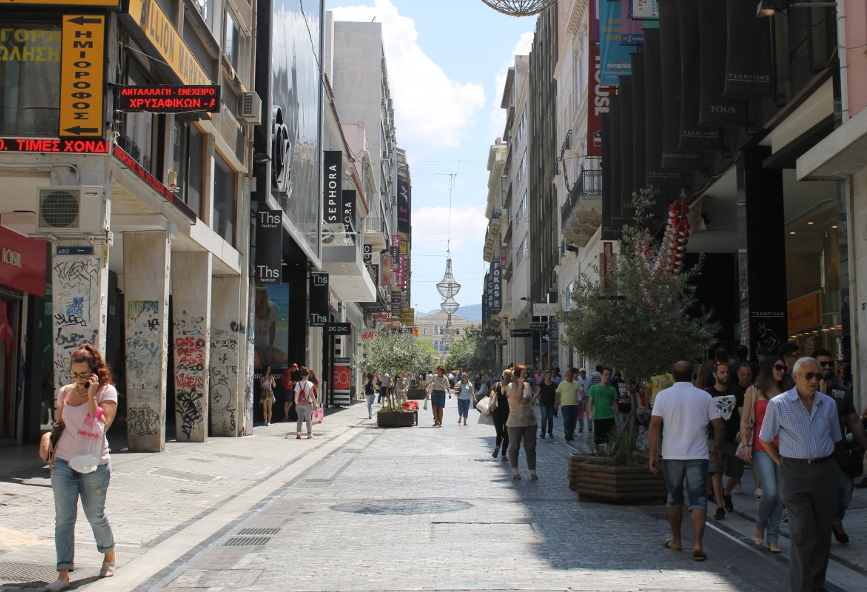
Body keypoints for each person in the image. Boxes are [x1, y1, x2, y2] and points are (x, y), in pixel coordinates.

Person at [38, 344, 118, 592]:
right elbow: (59, 423)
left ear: (95, 371)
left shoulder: (107, 392)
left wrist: (92, 395)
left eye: (83, 374)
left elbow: (102, 424)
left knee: (95, 516)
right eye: (74, 374)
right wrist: (46, 437)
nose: (79, 379)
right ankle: (63, 574)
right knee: (63, 519)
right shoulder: (65, 392)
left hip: (94, 464)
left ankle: (109, 554)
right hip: (64, 463)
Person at [759, 357, 842, 592]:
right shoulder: (779, 404)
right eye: (809, 376)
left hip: (824, 471)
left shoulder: (829, 404)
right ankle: (802, 588)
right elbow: (765, 438)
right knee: (802, 532)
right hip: (794, 473)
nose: (814, 380)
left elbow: (835, 437)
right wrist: (782, 463)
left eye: (818, 376)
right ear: (795, 377)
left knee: (822, 533)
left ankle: (816, 585)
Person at [650, 361, 724, 562]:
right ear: (693, 376)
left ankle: (676, 540)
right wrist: (718, 446)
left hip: (672, 454)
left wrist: (653, 453)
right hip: (698, 455)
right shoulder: (704, 396)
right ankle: (698, 543)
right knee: (698, 499)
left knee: (674, 498)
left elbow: (654, 425)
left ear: (673, 376)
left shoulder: (663, 396)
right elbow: (718, 425)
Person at [812, 348, 867, 545]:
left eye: (830, 363)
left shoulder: (842, 392)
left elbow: (853, 420)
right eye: (823, 364)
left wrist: (866, 445)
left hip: (837, 450)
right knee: (815, 493)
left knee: (845, 489)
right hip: (811, 452)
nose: (827, 367)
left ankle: (836, 520)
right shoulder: (802, 391)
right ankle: (817, 529)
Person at [739, 356, 788, 553]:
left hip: (784, 448)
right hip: (762, 447)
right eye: (778, 367)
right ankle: (760, 524)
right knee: (771, 491)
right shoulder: (753, 391)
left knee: (780, 495)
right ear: (769, 368)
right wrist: (745, 445)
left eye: (784, 368)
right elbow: (744, 421)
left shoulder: (787, 391)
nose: (782, 371)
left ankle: (773, 538)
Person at [705, 362, 745, 520]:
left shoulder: (736, 392)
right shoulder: (708, 394)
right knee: (716, 470)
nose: (725, 375)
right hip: (713, 438)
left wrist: (742, 429)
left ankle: (726, 492)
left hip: (733, 438)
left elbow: (742, 413)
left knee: (736, 472)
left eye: (727, 372)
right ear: (715, 374)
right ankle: (720, 506)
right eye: (722, 372)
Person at [506, 365, 538, 480]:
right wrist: (520, 386)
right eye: (523, 373)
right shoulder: (510, 386)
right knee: (514, 447)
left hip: (530, 421)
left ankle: (532, 471)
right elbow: (516, 400)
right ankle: (515, 472)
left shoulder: (528, 385)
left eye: (526, 373)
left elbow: (530, 400)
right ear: (517, 375)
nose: (526, 375)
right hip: (515, 421)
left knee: (531, 448)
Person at [587, 368, 620, 449]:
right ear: (601, 375)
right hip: (598, 417)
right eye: (606, 374)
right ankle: (600, 454)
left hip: (609, 417)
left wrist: (618, 419)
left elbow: (615, 405)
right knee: (597, 440)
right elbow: (590, 402)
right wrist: (590, 413)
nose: (607, 377)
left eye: (609, 375)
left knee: (609, 440)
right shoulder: (593, 388)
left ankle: (608, 454)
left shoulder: (612, 389)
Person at [555, 369, 581, 441]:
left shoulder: (576, 383)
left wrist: (582, 397)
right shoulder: (562, 384)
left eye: (571, 375)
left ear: (572, 376)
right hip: (565, 405)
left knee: (573, 421)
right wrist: (556, 403)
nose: (569, 376)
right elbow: (557, 393)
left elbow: (581, 390)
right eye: (568, 375)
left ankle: (571, 432)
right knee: (567, 420)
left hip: (574, 405)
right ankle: (567, 434)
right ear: (566, 376)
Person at [491, 369, 511, 460]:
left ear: (503, 375)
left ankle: (497, 446)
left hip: (496, 412)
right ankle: (503, 455)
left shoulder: (496, 385)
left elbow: (491, 396)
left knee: (499, 433)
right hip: (508, 412)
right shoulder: (511, 386)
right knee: (507, 434)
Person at [294, 368, 316, 439]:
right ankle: (309, 434)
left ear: (301, 375)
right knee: (308, 419)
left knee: (300, 418)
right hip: (308, 404)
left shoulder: (298, 383)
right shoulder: (309, 384)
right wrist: (315, 403)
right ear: (308, 375)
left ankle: (298, 432)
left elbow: (296, 394)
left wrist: (296, 401)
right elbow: (312, 395)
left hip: (299, 404)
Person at [536, 371, 557, 439]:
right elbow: (538, 392)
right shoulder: (542, 383)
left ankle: (550, 431)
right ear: (544, 377)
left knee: (550, 418)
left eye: (550, 375)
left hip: (551, 403)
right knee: (544, 417)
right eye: (547, 375)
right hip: (543, 403)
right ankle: (543, 432)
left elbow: (556, 394)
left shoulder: (554, 384)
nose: (549, 377)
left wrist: (556, 403)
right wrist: (534, 398)